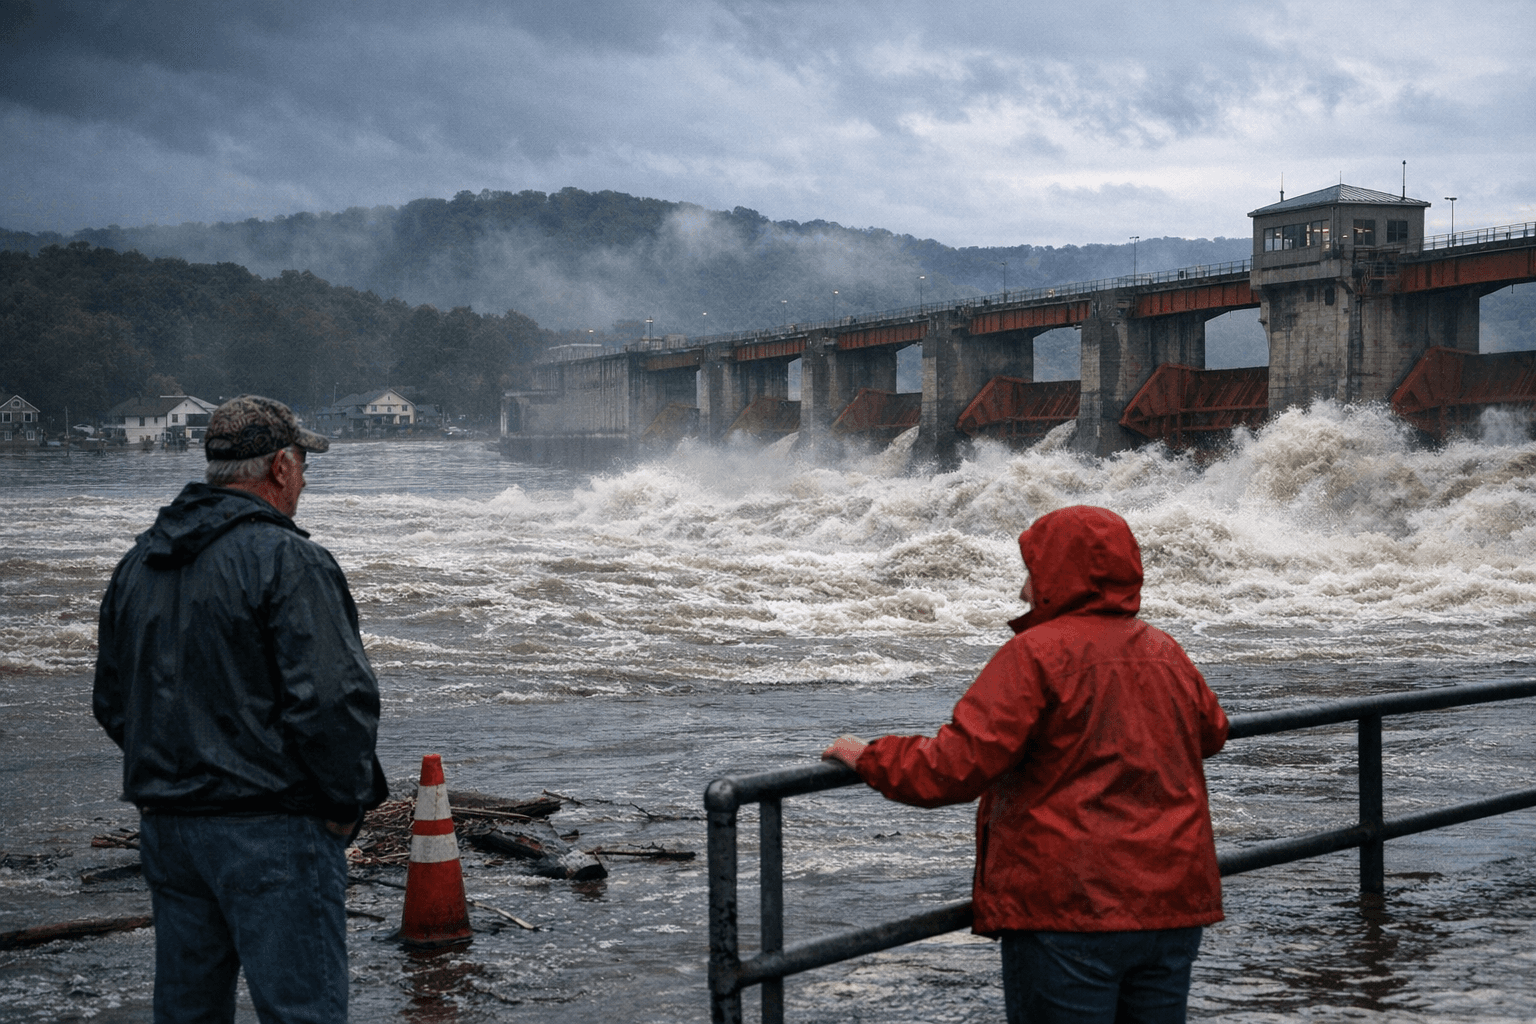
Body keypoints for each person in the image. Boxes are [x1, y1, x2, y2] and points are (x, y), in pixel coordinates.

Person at [823, 505, 1227, 1024]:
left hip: (1072, 906)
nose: (1023, 591)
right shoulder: (1164, 650)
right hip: (1170, 903)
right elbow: (1211, 732)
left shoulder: (1037, 655)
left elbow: (953, 766)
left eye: (1033, 574)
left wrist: (869, 756)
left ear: (1059, 576)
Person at [94, 394, 387, 1024]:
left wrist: (181, 775)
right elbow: (335, 702)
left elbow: (115, 703)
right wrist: (340, 807)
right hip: (272, 828)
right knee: (301, 1011)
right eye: (304, 466)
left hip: (169, 826)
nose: (305, 482)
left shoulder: (138, 563)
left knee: (188, 1012)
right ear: (280, 467)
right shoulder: (290, 560)